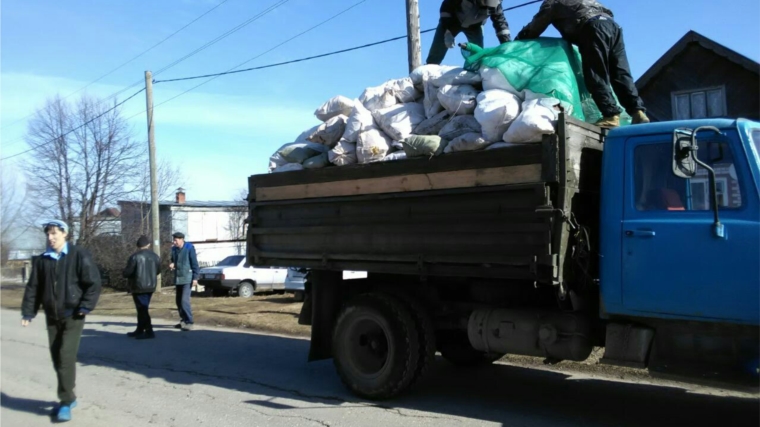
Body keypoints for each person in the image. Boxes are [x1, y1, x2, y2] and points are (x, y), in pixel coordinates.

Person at [515, 0, 650, 128]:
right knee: (620, 73)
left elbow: (536, 25)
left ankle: (611, 115)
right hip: (613, 27)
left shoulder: (552, 2)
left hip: (593, 27)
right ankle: (638, 112)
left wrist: (519, 39)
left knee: (595, 73)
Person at [21, 220, 102, 422]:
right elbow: (34, 288)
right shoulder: (42, 260)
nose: (51, 237)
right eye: (48, 234)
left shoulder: (77, 254)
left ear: (65, 234)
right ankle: (70, 395)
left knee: (65, 357)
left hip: (74, 315)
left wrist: (85, 306)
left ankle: (65, 402)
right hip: (52, 316)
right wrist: (28, 313)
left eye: (55, 233)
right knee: (58, 359)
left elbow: (93, 282)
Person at [427, 0, 512, 65]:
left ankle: (476, 77)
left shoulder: (495, 6)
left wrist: (507, 45)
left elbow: (501, 25)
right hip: (453, 21)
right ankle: (426, 74)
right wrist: (447, 31)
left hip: (475, 27)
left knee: (478, 56)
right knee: (436, 52)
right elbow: (446, 8)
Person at [122, 235, 161, 339]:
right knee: (142, 309)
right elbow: (158, 271)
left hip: (138, 286)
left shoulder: (134, 257)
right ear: (148, 245)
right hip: (151, 286)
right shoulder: (155, 256)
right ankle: (140, 330)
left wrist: (124, 272)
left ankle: (149, 331)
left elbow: (127, 272)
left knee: (142, 310)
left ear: (138, 245)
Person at [168, 232, 198, 331]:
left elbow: (194, 264)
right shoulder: (174, 249)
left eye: (176, 240)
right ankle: (183, 320)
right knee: (178, 302)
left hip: (187, 278)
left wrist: (195, 278)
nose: (174, 242)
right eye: (174, 240)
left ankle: (190, 321)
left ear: (182, 239)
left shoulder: (189, 248)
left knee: (184, 301)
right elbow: (173, 260)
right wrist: (172, 264)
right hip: (178, 278)